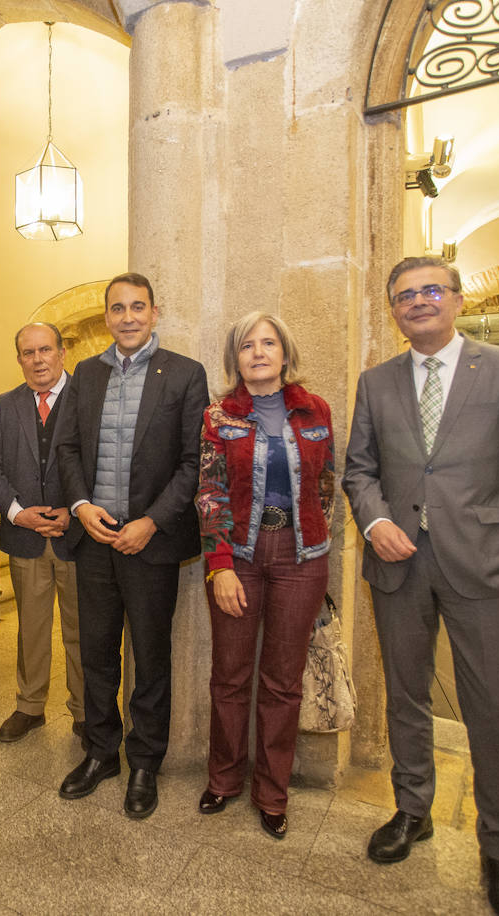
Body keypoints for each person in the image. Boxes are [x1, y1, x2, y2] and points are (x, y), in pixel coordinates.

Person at [342, 256, 499, 916]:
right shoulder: (377, 382)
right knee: (405, 695)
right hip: (399, 563)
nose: (418, 302)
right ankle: (413, 810)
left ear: (458, 300)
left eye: (431, 290)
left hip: (487, 568)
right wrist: (375, 522)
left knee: (493, 708)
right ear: (393, 310)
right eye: (404, 295)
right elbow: (359, 471)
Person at [54, 272, 207, 819]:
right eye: (117, 308)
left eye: (137, 307)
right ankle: (101, 753)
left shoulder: (185, 374)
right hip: (95, 536)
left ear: (154, 312)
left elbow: (193, 462)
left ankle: (144, 761)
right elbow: (67, 449)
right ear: (107, 317)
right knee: (96, 652)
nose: (127, 317)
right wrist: (81, 506)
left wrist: (153, 522)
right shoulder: (86, 375)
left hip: (150, 542)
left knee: (150, 656)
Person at [193, 312, 334, 839]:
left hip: (301, 560)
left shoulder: (316, 409)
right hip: (240, 557)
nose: (258, 352)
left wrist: (313, 540)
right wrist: (220, 565)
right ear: (236, 358)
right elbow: (209, 493)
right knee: (230, 675)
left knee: (282, 682)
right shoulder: (219, 416)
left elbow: (326, 483)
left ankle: (273, 793)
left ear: (284, 352)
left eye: (268, 343)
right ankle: (224, 778)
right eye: (247, 345)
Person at [0, 322, 84, 743]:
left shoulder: (86, 398)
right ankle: (30, 707)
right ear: (19, 358)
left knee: (82, 631)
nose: (38, 359)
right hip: (26, 537)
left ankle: (85, 710)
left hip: (78, 537)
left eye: (45, 350)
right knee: (31, 630)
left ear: (62, 353)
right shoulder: (6, 405)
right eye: (28, 352)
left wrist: (76, 512)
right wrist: (17, 513)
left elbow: (101, 464)